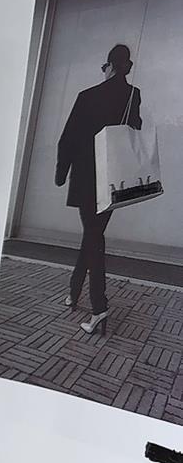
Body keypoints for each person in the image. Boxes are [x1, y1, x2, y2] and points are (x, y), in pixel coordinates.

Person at [54, 42, 143, 338]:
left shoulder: (87, 96)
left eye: (105, 67)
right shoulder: (133, 95)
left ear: (110, 66)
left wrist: (61, 173)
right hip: (112, 182)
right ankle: (73, 293)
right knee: (92, 236)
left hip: (85, 180)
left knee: (93, 238)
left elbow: (68, 138)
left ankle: (99, 307)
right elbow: (135, 129)